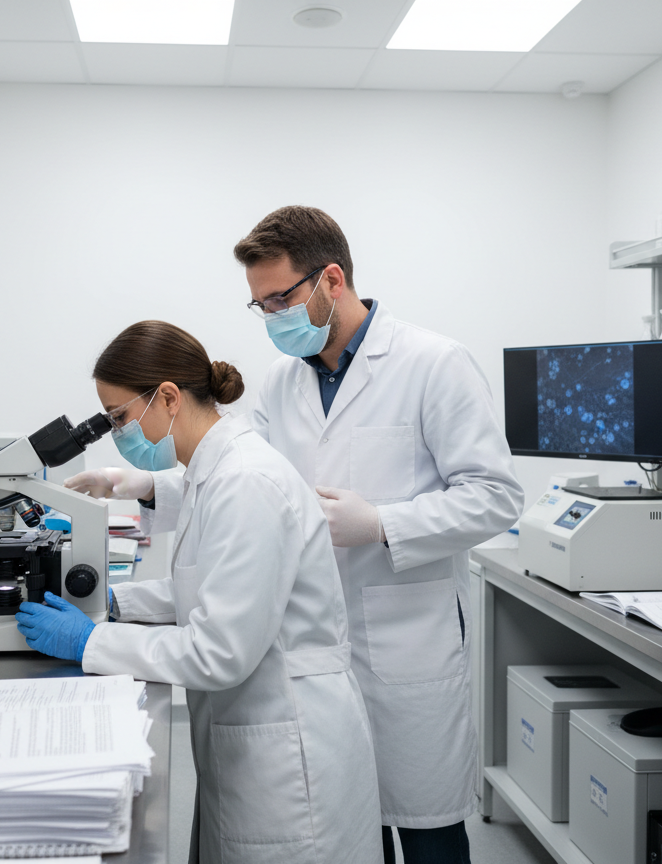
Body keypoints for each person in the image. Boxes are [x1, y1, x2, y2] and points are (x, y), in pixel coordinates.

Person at [15, 320, 384, 864]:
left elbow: (219, 650)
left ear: (167, 397)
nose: (117, 433)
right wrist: (117, 605)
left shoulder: (245, 482)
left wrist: (90, 641)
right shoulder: (213, 471)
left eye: (119, 418)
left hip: (289, 754)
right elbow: (207, 586)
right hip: (254, 733)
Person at [234, 206, 524, 864]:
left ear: (331, 279)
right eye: (260, 305)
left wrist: (382, 523)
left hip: (408, 641)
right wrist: (148, 484)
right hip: (317, 644)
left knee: (428, 832)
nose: (271, 315)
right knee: (348, 830)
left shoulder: (434, 363)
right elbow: (245, 475)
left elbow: (496, 496)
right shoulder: (283, 382)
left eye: (280, 297)